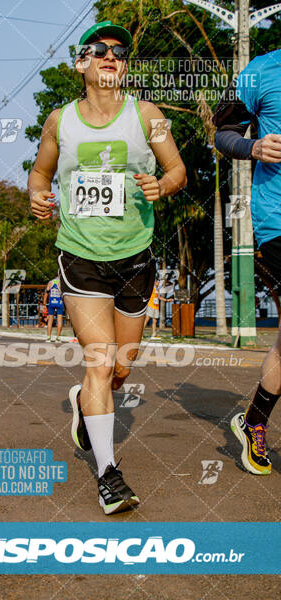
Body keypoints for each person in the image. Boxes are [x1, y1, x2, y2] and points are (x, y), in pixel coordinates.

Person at [29, 20, 186, 513]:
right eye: (99, 50)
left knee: (121, 366)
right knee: (99, 360)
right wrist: (37, 197)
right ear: (83, 62)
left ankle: (84, 403)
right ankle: (108, 475)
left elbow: (178, 168)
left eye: (119, 51)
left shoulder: (148, 115)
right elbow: (40, 173)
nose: (110, 56)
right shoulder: (60, 120)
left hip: (135, 255)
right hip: (79, 254)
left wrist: (165, 185)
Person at [213, 48, 281, 476]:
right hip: (278, 220)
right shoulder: (260, 71)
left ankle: (254, 420)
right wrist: (253, 145)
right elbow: (223, 131)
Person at [44, 275, 64, 342]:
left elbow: (46, 293)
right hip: (59, 302)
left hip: (52, 302)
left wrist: (44, 303)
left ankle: (48, 338)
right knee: (59, 321)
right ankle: (58, 338)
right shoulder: (61, 282)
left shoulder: (50, 282)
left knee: (50, 320)